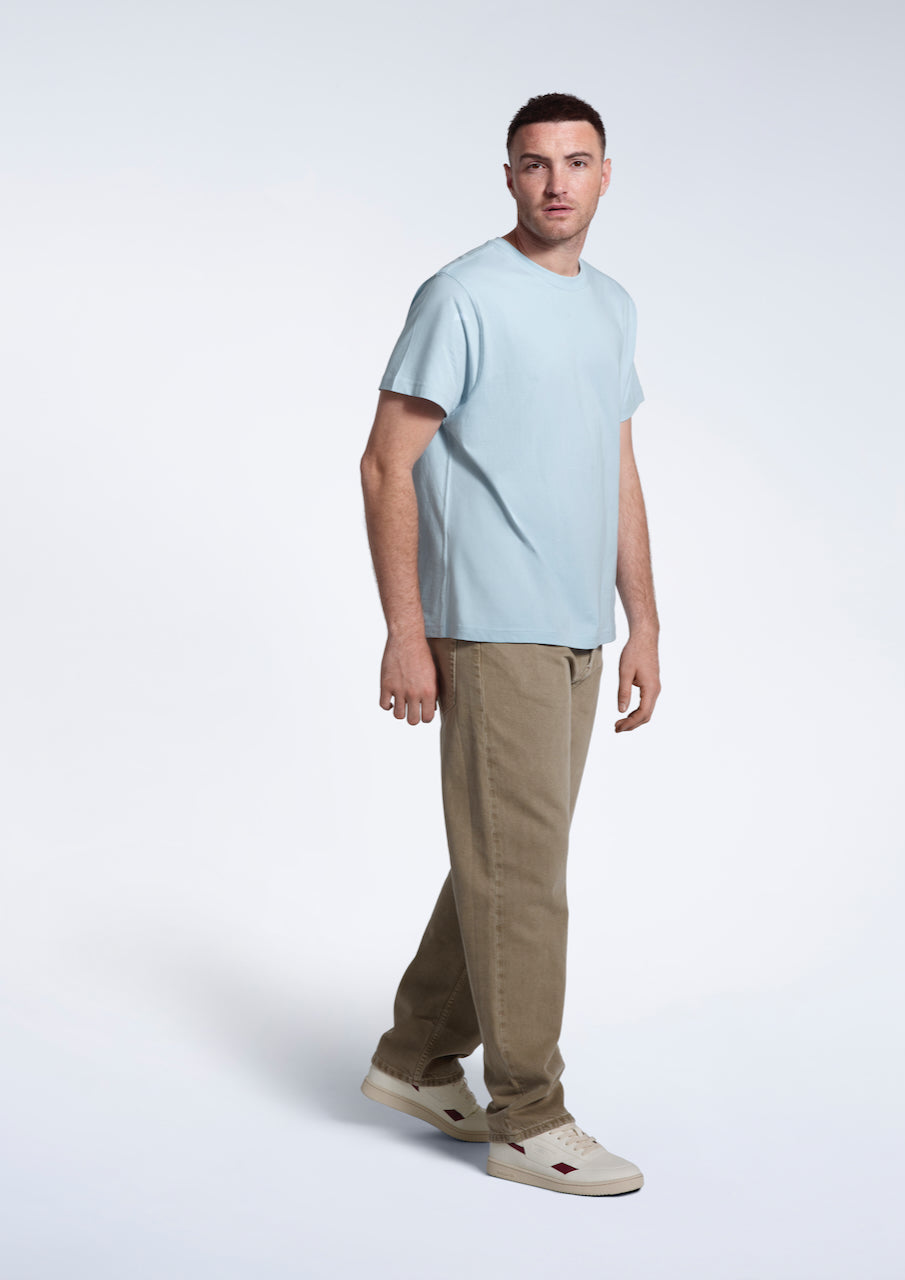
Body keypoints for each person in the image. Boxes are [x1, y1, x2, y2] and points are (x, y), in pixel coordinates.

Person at [358, 92, 660, 1197]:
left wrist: (645, 619)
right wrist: (406, 632)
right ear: (507, 176)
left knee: (505, 861)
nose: (556, 184)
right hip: (489, 624)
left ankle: (411, 1056)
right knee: (525, 874)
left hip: (577, 626)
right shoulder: (463, 295)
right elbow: (386, 463)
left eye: (576, 162)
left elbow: (615, 465)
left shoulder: (611, 306)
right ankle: (528, 1113)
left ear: (605, 174)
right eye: (534, 164)